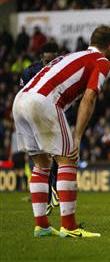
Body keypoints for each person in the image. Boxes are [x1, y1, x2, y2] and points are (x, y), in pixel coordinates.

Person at [12, 25, 110, 237]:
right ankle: (69, 226)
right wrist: (77, 136)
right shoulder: (102, 61)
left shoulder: (73, 55)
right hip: (44, 101)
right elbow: (90, 97)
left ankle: (41, 225)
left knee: (41, 164)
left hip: (20, 100)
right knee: (68, 158)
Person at [19, 42, 61, 216]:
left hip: (53, 117)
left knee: (56, 155)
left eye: (53, 61)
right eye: (46, 61)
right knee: (40, 159)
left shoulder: (62, 69)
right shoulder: (30, 72)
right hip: (32, 117)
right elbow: (22, 95)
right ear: (41, 59)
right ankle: (48, 194)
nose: (49, 65)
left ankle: (52, 191)